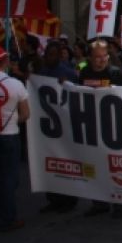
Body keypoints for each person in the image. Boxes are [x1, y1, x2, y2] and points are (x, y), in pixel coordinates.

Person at [78, 40, 122, 218]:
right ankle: (99, 203)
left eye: (104, 57)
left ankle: (120, 204)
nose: (101, 61)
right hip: (92, 126)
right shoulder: (84, 73)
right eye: (97, 57)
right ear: (89, 58)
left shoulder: (116, 73)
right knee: (94, 165)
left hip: (113, 127)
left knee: (116, 167)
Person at [37, 42, 79, 214]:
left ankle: (69, 199)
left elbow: (77, 95)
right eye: (48, 54)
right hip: (47, 127)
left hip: (66, 127)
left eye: (54, 54)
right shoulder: (41, 72)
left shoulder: (68, 72)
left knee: (67, 162)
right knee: (49, 163)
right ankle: (53, 199)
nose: (50, 57)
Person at [0, 46, 30, 232]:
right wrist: (11, 120)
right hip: (8, 135)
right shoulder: (15, 85)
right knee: (7, 179)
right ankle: (7, 218)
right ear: (5, 61)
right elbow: (25, 114)